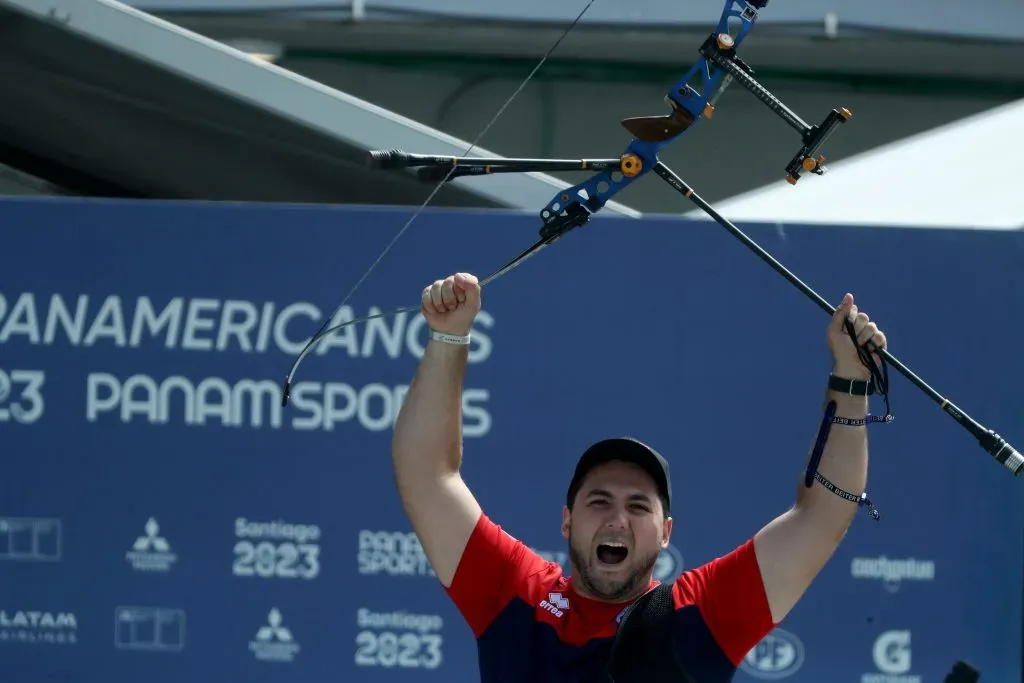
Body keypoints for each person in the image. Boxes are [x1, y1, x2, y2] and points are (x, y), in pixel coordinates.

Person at [391, 272, 887, 683]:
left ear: (666, 532)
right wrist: (448, 336)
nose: (618, 520)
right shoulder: (517, 595)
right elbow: (427, 474)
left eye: (638, 506)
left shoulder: (701, 613)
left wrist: (851, 377)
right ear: (567, 522)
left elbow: (821, 515)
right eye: (599, 501)